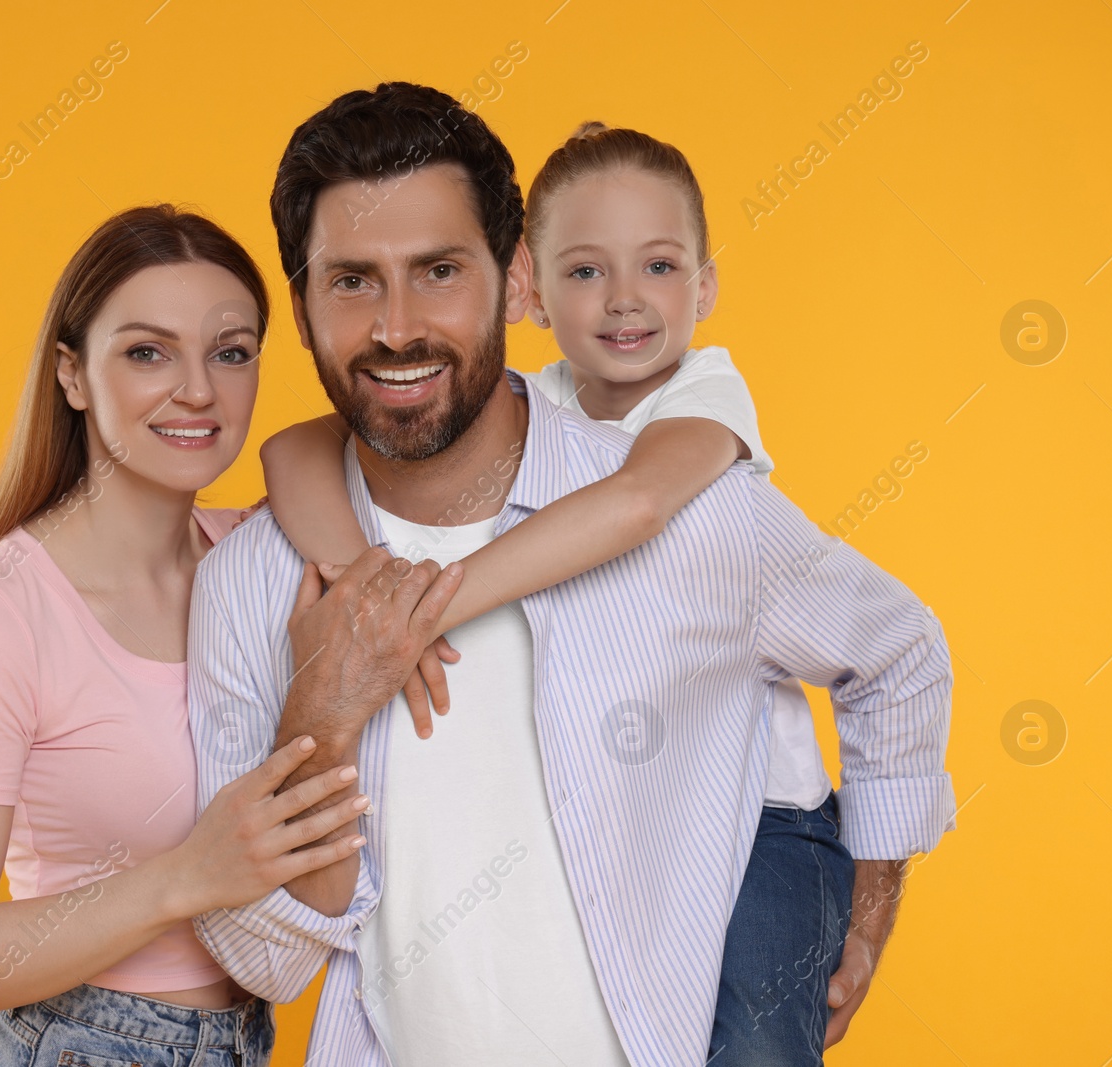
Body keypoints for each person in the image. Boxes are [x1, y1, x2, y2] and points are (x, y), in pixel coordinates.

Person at [187, 83, 956, 1067]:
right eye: (350, 281)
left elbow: (895, 648)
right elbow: (266, 965)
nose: (395, 326)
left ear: (513, 281)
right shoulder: (252, 582)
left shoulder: (690, 507)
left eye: (438, 271)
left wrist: (872, 889)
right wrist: (323, 716)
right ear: (298, 307)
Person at [0, 205, 375, 1067]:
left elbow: (342, 437)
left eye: (231, 352)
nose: (197, 390)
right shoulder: (1, 616)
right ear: (72, 373)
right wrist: (186, 875)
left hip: (244, 1042)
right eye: (147, 351)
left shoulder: (259, 560)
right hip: (77, 1043)